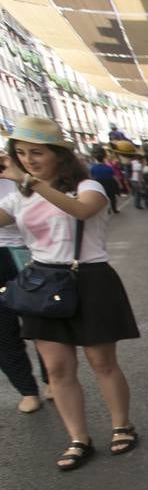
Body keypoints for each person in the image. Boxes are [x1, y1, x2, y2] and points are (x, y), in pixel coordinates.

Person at [0, 116, 140, 470]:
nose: (29, 160)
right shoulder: (19, 196)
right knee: (58, 368)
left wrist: (30, 182)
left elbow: (81, 210)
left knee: (102, 362)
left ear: (58, 154)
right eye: (21, 153)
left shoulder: (87, 185)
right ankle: (78, 437)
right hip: (42, 281)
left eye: (37, 152)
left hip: (89, 278)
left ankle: (121, 424)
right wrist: (23, 184)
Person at [0, 176, 43, 412]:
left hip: (26, 254)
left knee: (40, 322)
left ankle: (52, 380)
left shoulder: (18, 177)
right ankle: (27, 390)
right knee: (3, 331)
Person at [88, 147, 120, 215]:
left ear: (96, 159)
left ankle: (108, 210)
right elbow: (114, 177)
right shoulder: (108, 167)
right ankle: (114, 209)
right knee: (112, 197)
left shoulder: (92, 168)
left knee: (104, 198)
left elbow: (91, 178)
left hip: (100, 184)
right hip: (110, 184)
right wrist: (119, 184)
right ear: (103, 158)